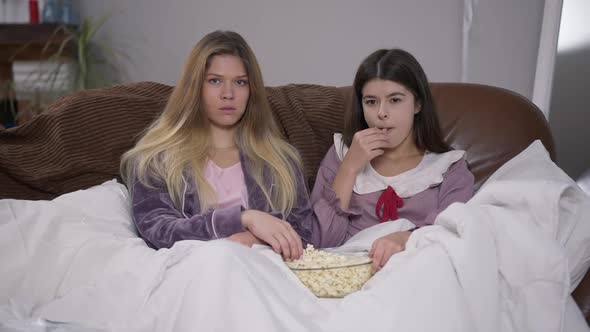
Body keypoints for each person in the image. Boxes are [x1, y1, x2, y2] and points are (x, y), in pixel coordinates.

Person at [120, 30, 312, 260]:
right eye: (214, 81)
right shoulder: (156, 158)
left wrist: (255, 241)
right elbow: (158, 230)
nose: (228, 94)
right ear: (195, 87)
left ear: (252, 91)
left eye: (240, 82)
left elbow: (302, 237)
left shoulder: (281, 161)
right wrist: (243, 218)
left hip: (263, 274)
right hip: (192, 276)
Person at [310, 48, 474, 271]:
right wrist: (349, 168)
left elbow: (455, 239)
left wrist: (406, 239)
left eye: (395, 100)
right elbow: (320, 243)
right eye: (371, 102)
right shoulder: (341, 154)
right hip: (345, 277)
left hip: (416, 275)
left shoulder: (450, 168)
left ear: (417, 104)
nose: (381, 113)